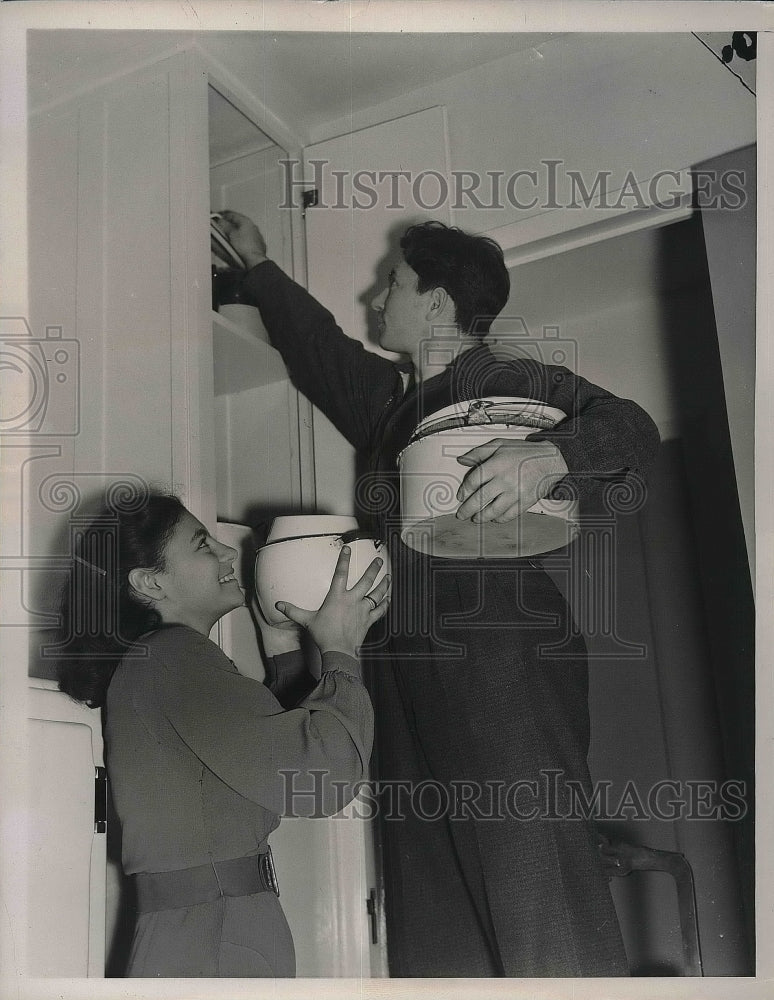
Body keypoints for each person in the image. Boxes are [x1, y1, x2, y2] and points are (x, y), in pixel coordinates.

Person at [216, 212, 662, 977]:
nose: (374, 293)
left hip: (501, 658)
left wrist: (551, 454)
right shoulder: (391, 410)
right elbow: (319, 350)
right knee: (432, 911)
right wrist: (259, 272)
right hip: (401, 671)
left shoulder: (506, 380)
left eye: (392, 280)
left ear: (439, 304)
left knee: (535, 882)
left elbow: (633, 430)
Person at [55, 490, 390, 978]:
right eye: (202, 544)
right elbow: (321, 778)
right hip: (216, 931)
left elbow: (254, 760)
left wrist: (280, 648)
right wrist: (340, 647)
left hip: (207, 929)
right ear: (149, 582)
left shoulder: (164, 664)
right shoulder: (172, 658)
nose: (228, 552)